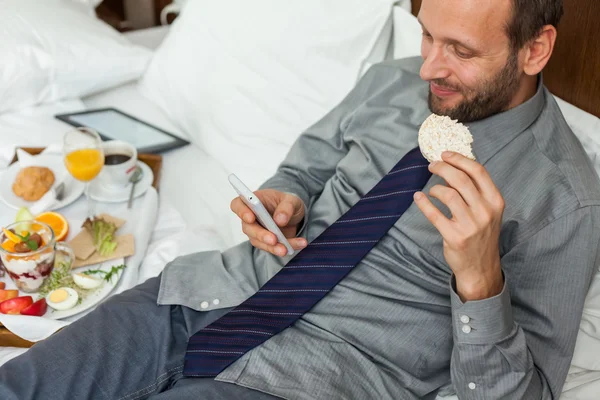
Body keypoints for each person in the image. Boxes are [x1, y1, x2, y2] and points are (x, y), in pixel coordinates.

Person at [1, 0, 597, 398]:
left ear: (535, 50)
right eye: (425, 36)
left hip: (318, 374)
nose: (429, 68)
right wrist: (286, 195)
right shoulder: (392, 79)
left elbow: (522, 394)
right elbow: (307, 163)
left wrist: (480, 280)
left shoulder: (565, 200)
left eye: (461, 51)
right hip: (205, 296)